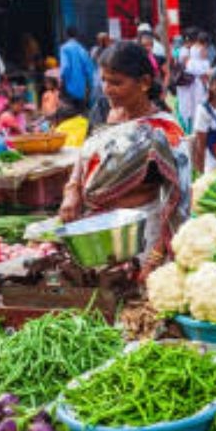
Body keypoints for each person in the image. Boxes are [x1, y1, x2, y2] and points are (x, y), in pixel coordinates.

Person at [59, 41, 184, 278]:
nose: (107, 89)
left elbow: (179, 199)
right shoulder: (102, 110)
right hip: (95, 230)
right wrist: (72, 190)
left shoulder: (164, 130)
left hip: (141, 234)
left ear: (145, 83)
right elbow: (84, 153)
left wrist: (155, 258)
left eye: (116, 82)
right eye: (104, 80)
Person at [177, 32, 213, 132]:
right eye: (205, 48)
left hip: (197, 86)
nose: (205, 51)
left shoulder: (194, 60)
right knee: (198, 108)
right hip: (197, 87)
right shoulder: (198, 62)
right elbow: (204, 75)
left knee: (196, 108)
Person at [60, 27, 99, 111]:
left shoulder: (64, 48)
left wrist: (61, 81)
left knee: (70, 111)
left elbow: (65, 67)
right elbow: (89, 68)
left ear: (66, 35)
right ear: (77, 35)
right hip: (82, 87)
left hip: (69, 87)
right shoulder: (81, 48)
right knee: (82, 111)